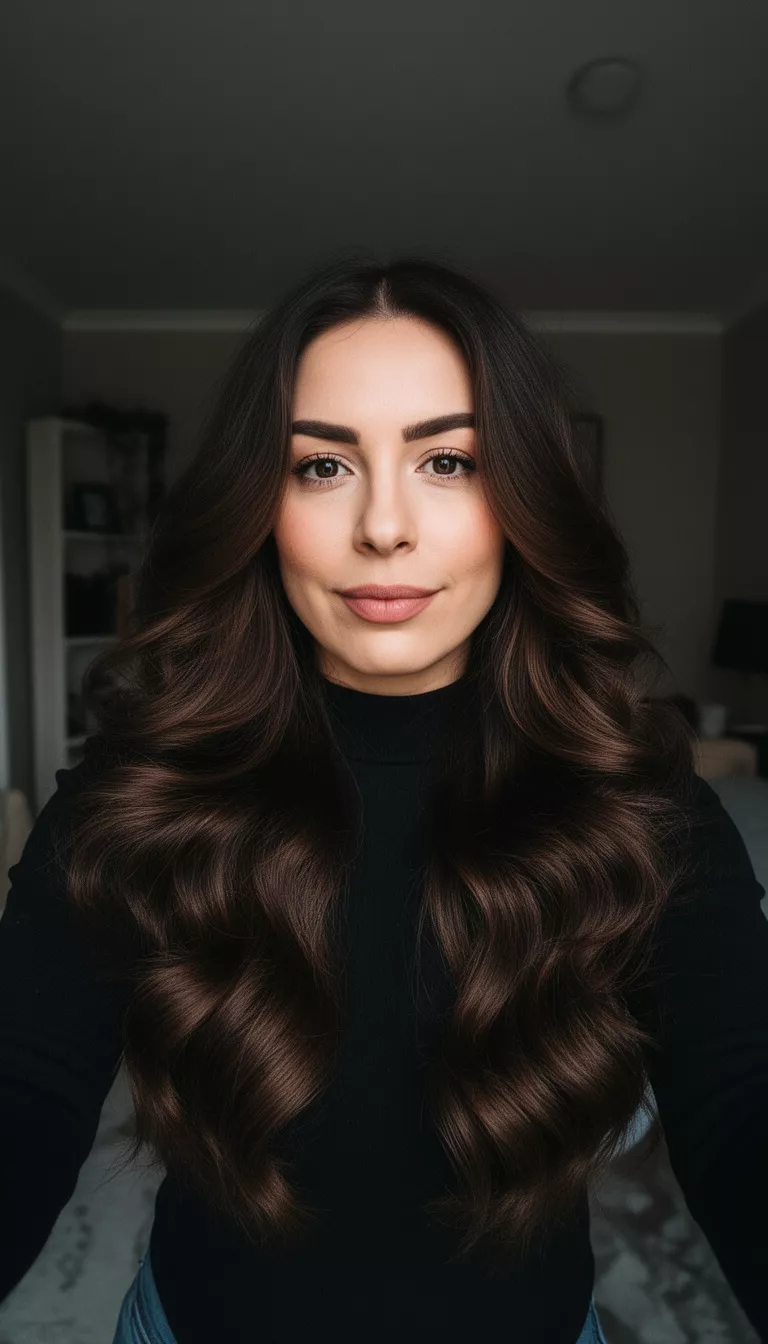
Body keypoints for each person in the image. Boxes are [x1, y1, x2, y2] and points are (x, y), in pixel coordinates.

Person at [1, 255, 767, 1344]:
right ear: (260, 506)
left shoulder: (641, 807)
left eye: (448, 459)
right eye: (322, 467)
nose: (384, 527)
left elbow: (742, 1096)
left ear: (525, 501)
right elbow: (19, 1088)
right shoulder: (136, 796)